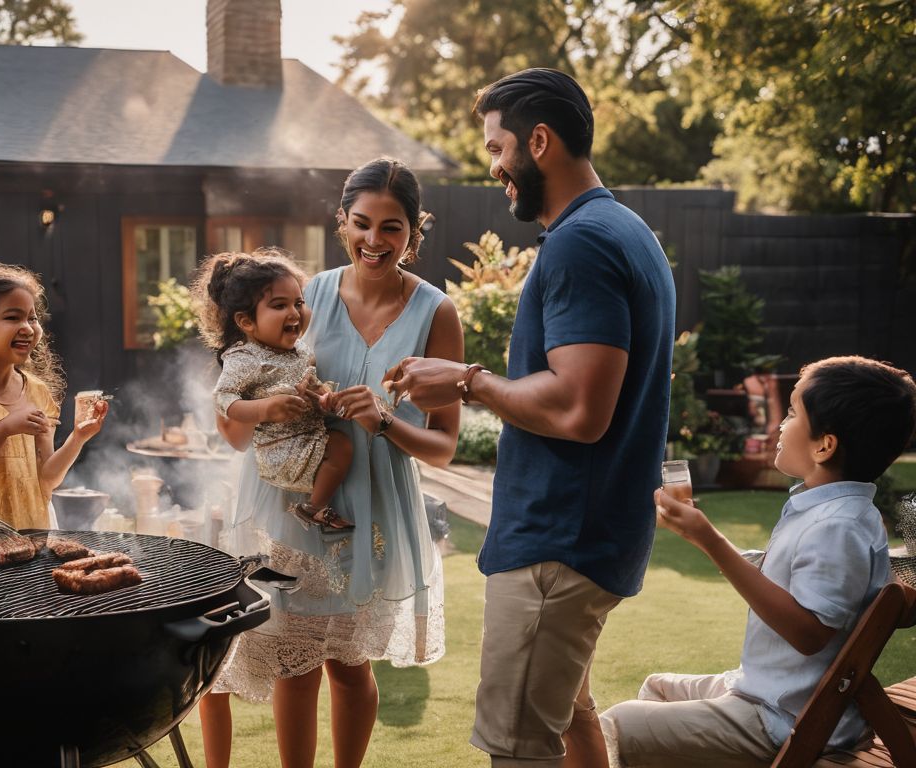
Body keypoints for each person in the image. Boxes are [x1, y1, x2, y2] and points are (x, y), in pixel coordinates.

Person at [383, 68, 676, 767]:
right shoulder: (624, 228)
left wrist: (465, 379)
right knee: (572, 717)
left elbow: (579, 410)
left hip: (559, 544)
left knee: (517, 746)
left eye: (496, 147)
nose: (495, 168)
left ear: (538, 141)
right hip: (589, 535)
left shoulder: (580, 242)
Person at [198, 157, 464, 768]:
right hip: (288, 501)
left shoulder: (436, 313)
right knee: (296, 665)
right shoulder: (300, 295)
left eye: (391, 228)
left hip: (373, 505)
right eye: (362, 223)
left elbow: (445, 447)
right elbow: (233, 423)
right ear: (341, 220)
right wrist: (270, 410)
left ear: (412, 231)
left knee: (350, 666)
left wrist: (386, 420)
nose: (375, 241)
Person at [601, 356, 916, 768]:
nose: (779, 425)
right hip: (765, 691)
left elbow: (809, 632)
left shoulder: (838, 527)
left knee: (616, 725)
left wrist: (711, 542)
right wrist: (703, 536)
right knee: (656, 688)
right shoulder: (830, 511)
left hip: (786, 718)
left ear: (825, 445)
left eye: (791, 412)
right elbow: (778, 573)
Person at [0, 261, 108, 530]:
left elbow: (47, 478)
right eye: (13, 318)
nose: (27, 327)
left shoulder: (37, 391)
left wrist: (78, 437)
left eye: (32, 317)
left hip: (32, 534)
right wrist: (5, 428)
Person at [193, 249, 353, 531]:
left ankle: (315, 508)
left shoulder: (299, 350)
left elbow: (309, 382)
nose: (294, 313)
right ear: (246, 322)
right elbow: (223, 399)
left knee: (341, 444)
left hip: (308, 442)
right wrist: (264, 408)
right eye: (280, 306)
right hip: (278, 459)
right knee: (340, 445)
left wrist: (322, 397)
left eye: (299, 303)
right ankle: (314, 509)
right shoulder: (244, 357)